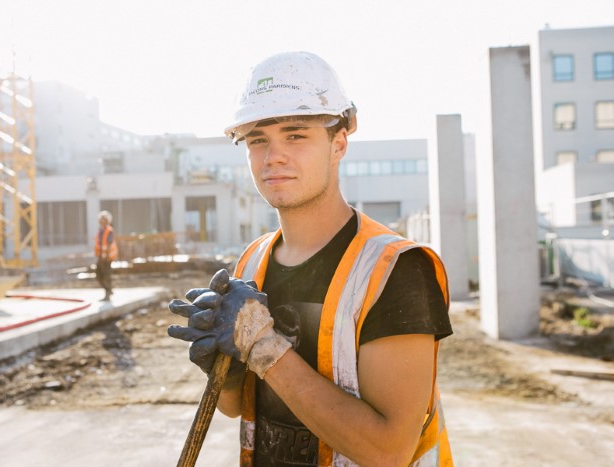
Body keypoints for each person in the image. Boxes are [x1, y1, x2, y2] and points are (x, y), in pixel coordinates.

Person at [168, 51, 453, 466]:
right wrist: (225, 373)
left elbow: (388, 451)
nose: (273, 156)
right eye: (258, 140)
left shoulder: (395, 268)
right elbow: (237, 408)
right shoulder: (253, 263)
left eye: (296, 135)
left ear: (338, 144)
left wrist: (264, 346)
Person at [95, 210, 118, 301]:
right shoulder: (100, 231)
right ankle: (109, 290)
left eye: (103, 219)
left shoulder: (109, 230)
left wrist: (107, 256)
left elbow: (109, 243)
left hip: (107, 257)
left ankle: (108, 293)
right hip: (101, 256)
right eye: (101, 219)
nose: (101, 220)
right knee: (98, 275)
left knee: (106, 275)